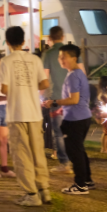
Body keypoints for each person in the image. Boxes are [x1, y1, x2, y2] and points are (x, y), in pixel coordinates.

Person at [0, 26, 51, 206]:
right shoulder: (34, 59)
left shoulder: (6, 61)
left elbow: (4, 89)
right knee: (38, 152)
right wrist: (30, 86)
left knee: (22, 154)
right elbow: (44, 82)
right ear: (23, 41)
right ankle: (44, 190)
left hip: (16, 113)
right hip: (35, 112)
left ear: (7, 42)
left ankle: (31, 194)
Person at [45, 43, 92, 195]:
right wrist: (61, 109)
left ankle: (80, 185)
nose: (61, 60)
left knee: (74, 152)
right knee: (79, 150)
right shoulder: (78, 73)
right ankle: (87, 180)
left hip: (75, 119)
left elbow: (74, 99)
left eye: (63, 57)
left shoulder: (73, 75)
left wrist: (54, 102)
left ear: (74, 58)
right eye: (59, 57)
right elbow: (79, 99)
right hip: (82, 116)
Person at [41, 26, 69, 171]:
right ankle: (74, 160)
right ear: (63, 36)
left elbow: (44, 78)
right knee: (72, 132)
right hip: (73, 98)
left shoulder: (48, 54)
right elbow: (82, 72)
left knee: (58, 133)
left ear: (50, 38)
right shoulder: (72, 51)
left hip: (56, 98)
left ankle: (65, 163)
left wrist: (41, 95)